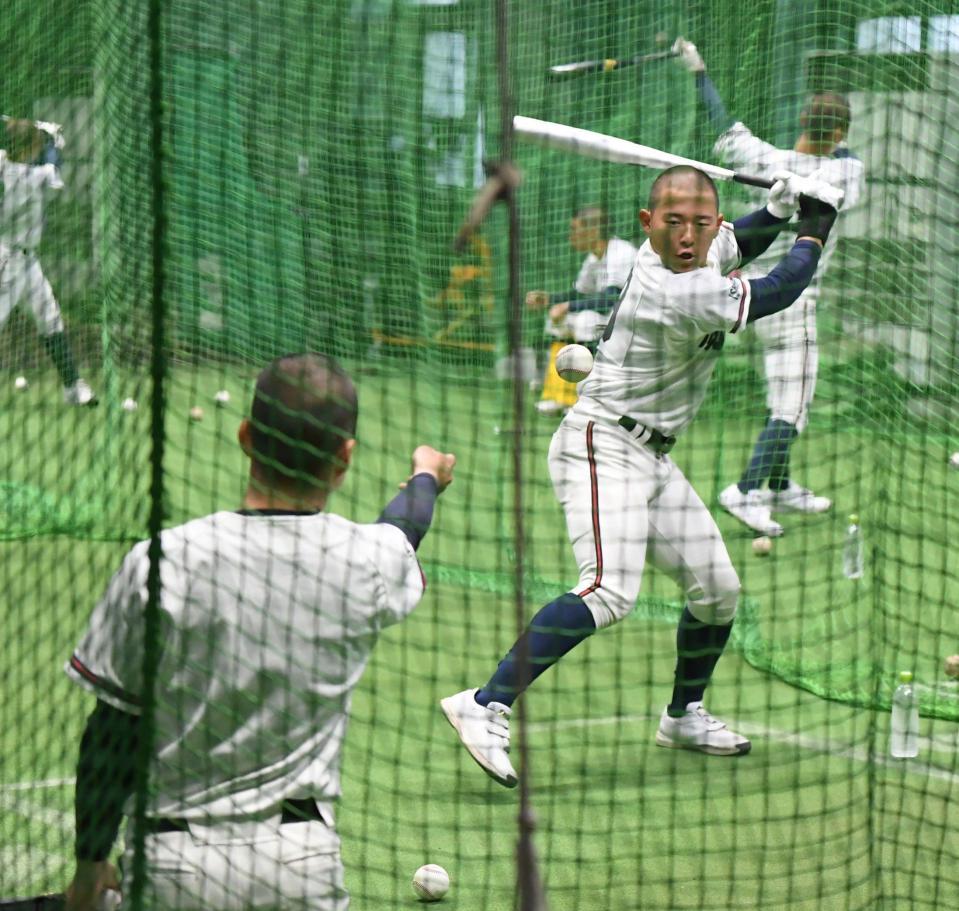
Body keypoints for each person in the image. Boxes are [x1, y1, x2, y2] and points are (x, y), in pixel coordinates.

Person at [440, 164, 842, 787]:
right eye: (673, 224)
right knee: (607, 590)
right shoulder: (679, 288)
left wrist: (782, 210)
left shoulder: (702, 255)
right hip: (602, 446)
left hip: (653, 456)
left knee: (718, 588)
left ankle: (683, 714)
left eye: (700, 225)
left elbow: (747, 239)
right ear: (646, 225)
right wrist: (818, 224)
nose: (688, 237)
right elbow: (781, 288)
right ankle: (485, 703)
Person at [62, 352, 456, 911]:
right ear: (345, 458)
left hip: (175, 864)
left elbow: (112, 731)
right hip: (300, 865)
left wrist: (89, 860)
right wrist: (426, 474)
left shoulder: (163, 559)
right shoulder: (366, 560)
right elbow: (405, 524)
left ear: (245, 436)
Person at [673, 37, 864, 536]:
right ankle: (748, 489)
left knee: (784, 392)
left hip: (755, 297)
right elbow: (839, 151)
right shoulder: (847, 169)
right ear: (838, 131)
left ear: (802, 122)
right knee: (792, 406)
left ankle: (777, 483)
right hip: (794, 302)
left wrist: (699, 71)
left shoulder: (762, 158)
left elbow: (722, 127)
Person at [0, 117, 96, 405]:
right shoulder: (36, 176)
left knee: (50, 318)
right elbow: (55, 167)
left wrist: (36, 133)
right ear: (30, 148)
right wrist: (52, 138)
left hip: (28, 264)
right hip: (7, 262)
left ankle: (73, 387)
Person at [526, 206, 637, 414]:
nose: (571, 235)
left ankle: (585, 401)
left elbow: (612, 298)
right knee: (558, 321)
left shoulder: (621, 252)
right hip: (610, 321)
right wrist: (550, 299)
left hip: (633, 325)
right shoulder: (593, 257)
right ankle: (559, 395)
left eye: (574, 229)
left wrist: (568, 306)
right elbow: (579, 293)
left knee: (585, 320)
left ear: (593, 231)